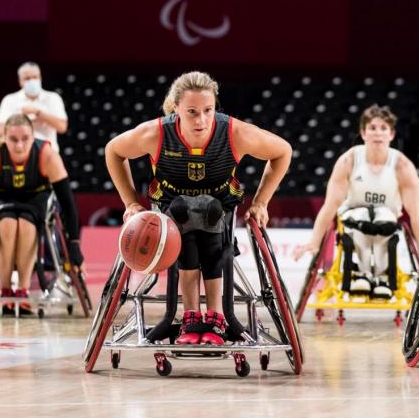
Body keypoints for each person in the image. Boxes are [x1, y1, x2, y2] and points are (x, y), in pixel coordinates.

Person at [105, 71, 291, 345]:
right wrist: (130, 202)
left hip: (218, 208)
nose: (201, 120)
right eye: (192, 112)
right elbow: (114, 151)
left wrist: (261, 202)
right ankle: (190, 315)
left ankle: (217, 315)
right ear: (176, 108)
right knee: (184, 227)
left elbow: (282, 151)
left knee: (212, 224)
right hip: (172, 211)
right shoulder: (156, 133)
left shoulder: (234, 132)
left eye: (208, 110)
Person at [294, 105, 419, 299]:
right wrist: (314, 242)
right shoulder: (349, 160)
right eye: (372, 128)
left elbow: (417, 214)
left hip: (387, 218)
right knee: (361, 216)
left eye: (383, 128)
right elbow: (330, 205)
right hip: (354, 215)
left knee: (383, 216)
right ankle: (362, 272)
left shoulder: (402, 166)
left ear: (391, 134)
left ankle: (383, 276)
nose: (378, 133)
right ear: (363, 133)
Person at [0, 114, 83, 315]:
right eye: (13, 139)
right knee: (7, 224)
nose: (19, 145)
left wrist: (74, 243)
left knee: (26, 224)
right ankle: (5, 289)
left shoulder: (47, 155)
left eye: (25, 139)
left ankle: (22, 290)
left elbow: (68, 203)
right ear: (4, 138)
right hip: (4, 197)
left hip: (36, 198)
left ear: (33, 137)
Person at [0, 62, 68, 152]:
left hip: (48, 152)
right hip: (18, 153)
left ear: (40, 78)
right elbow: (0, 131)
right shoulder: (9, 100)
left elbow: (62, 127)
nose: (32, 81)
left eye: (35, 77)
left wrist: (39, 113)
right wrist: (21, 119)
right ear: (20, 81)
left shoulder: (53, 98)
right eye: (27, 78)